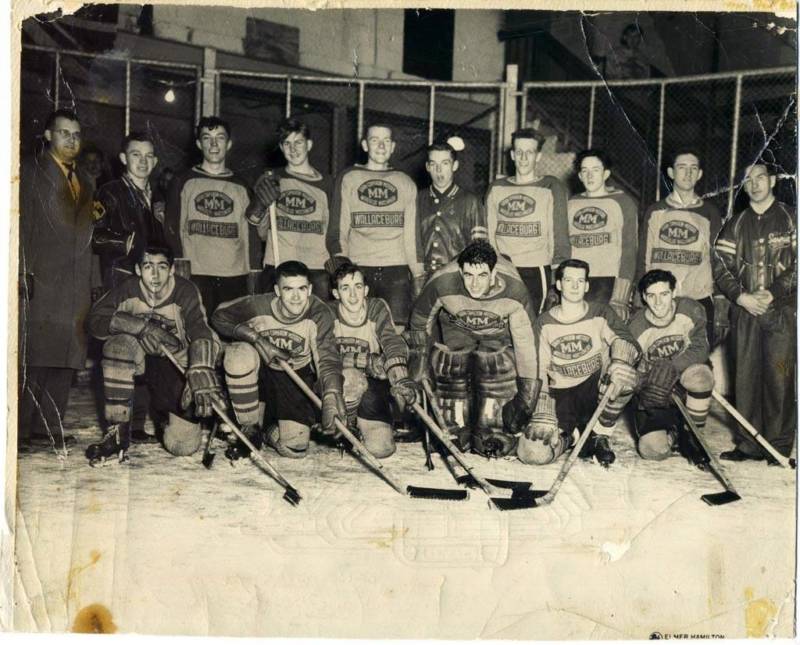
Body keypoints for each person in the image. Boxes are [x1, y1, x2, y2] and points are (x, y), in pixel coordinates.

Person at [85, 246, 224, 464]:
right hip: (139, 359)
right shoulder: (128, 288)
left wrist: (200, 366)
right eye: (148, 267)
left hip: (175, 363)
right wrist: (143, 328)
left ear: (172, 269)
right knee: (117, 346)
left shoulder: (184, 290)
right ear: (138, 270)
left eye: (162, 267)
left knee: (182, 446)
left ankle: (163, 419)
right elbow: (94, 321)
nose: (155, 275)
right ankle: (117, 433)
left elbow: (200, 328)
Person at [406, 239, 539, 457]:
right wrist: (419, 361)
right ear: (460, 270)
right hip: (457, 326)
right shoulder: (442, 282)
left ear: (494, 272)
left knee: (496, 364)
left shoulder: (515, 290)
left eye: (482, 276)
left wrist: (527, 394)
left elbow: (526, 344)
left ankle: (491, 428)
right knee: (449, 363)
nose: (474, 284)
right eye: (468, 275)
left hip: (496, 332)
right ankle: (455, 425)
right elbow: (421, 319)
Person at [211, 261, 346, 459]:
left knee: (295, 448)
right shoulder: (258, 304)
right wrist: (257, 339)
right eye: (288, 289)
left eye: (301, 289)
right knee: (238, 355)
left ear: (309, 289)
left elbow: (327, 359)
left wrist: (332, 395)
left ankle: (267, 428)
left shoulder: (319, 313)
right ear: (277, 290)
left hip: (294, 376)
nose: (296, 297)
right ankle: (249, 426)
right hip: (260, 373)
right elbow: (219, 317)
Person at [19, 109, 96, 452]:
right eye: (64, 133)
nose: (72, 140)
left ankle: (50, 427)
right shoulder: (30, 173)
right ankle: (19, 431)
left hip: (76, 284)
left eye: (76, 134)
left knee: (66, 356)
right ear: (48, 136)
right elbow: (18, 228)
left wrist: (93, 279)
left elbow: (91, 235)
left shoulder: (87, 181)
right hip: (41, 279)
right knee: (34, 355)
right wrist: (21, 272)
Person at [712, 161, 796, 463]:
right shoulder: (736, 223)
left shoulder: (791, 218)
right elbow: (721, 266)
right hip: (745, 311)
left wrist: (773, 292)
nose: (755, 184)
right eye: (748, 180)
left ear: (772, 180)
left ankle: (779, 447)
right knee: (744, 377)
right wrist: (741, 296)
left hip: (782, 311)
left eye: (760, 177)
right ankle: (747, 443)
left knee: (780, 378)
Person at [518, 259, 640, 468]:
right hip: (561, 393)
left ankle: (600, 434)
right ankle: (573, 436)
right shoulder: (544, 322)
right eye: (568, 280)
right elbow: (537, 368)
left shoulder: (601, 312)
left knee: (625, 377)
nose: (574, 286)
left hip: (594, 388)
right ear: (559, 284)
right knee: (532, 454)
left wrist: (620, 361)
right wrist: (543, 405)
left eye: (580, 281)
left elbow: (628, 342)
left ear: (586, 286)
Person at [326, 123, 423, 325]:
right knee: (358, 330)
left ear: (393, 147)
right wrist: (343, 270)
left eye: (386, 141)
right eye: (374, 140)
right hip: (359, 268)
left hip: (396, 271)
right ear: (364, 145)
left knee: (395, 331)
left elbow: (412, 236)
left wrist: (418, 275)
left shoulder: (404, 181)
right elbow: (337, 230)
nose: (380, 146)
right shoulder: (349, 177)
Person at [164, 116, 262, 315]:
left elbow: (249, 232)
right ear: (199, 144)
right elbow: (172, 226)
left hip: (234, 274)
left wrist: (254, 271)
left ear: (229, 143)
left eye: (220, 138)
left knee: (230, 335)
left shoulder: (241, 185)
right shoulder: (183, 180)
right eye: (207, 138)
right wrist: (179, 262)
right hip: (197, 274)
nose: (214, 144)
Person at [329, 262, 418, 458]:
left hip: (370, 386)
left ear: (366, 290)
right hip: (337, 387)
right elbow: (323, 356)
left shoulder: (376, 307)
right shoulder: (326, 313)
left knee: (382, 449)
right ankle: (347, 426)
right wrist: (363, 361)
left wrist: (400, 376)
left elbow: (392, 341)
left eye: (358, 287)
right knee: (351, 377)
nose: (353, 295)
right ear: (336, 293)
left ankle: (367, 427)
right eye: (345, 288)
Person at [637, 149, 723, 343]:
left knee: (698, 362)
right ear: (670, 173)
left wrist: (720, 299)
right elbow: (643, 256)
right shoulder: (655, 211)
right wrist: (638, 293)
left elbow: (718, 259)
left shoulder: (710, 212)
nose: (688, 173)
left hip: (697, 298)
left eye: (693, 168)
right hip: (660, 300)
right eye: (682, 168)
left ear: (700, 174)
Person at [628, 270, 713, 462]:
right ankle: (675, 432)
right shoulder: (636, 326)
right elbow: (631, 368)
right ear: (643, 297)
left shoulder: (691, 309)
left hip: (684, 381)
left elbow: (701, 349)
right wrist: (643, 383)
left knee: (701, 375)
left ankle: (692, 437)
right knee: (652, 451)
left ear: (674, 292)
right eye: (652, 296)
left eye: (664, 294)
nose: (658, 302)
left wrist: (672, 366)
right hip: (656, 389)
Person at [485, 128, 570, 314]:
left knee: (532, 323)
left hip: (536, 269)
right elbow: (489, 233)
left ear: (538, 156)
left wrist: (558, 278)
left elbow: (559, 235)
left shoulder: (551, 186)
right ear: (513, 155)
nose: (524, 158)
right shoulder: (496, 187)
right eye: (519, 152)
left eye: (529, 152)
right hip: (503, 268)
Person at [247, 118, 333, 297]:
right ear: (281, 147)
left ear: (309, 144)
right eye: (287, 143)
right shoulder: (272, 178)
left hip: (315, 267)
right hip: (279, 264)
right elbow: (261, 231)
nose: (293, 149)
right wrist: (259, 205)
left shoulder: (327, 184)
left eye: (298, 142)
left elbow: (331, 231)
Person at [567, 149, 638, 322]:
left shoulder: (622, 202)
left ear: (606, 173)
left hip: (607, 280)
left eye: (595, 170)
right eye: (585, 171)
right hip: (576, 278)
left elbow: (629, 250)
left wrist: (621, 295)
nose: (590, 176)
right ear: (580, 176)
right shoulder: (572, 203)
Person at [91, 131, 165, 291]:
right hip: (121, 277)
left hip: (153, 279)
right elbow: (93, 236)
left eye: (149, 156)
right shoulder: (108, 192)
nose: (143, 161)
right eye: (136, 154)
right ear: (124, 158)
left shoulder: (159, 197)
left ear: (155, 161)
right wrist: (125, 243)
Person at [417, 138, 486, 284]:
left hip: (457, 277)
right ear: (427, 167)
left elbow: (480, 248)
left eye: (445, 163)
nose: (439, 170)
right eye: (433, 164)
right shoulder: (417, 199)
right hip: (422, 276)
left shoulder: (470, 201)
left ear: (455, 165)